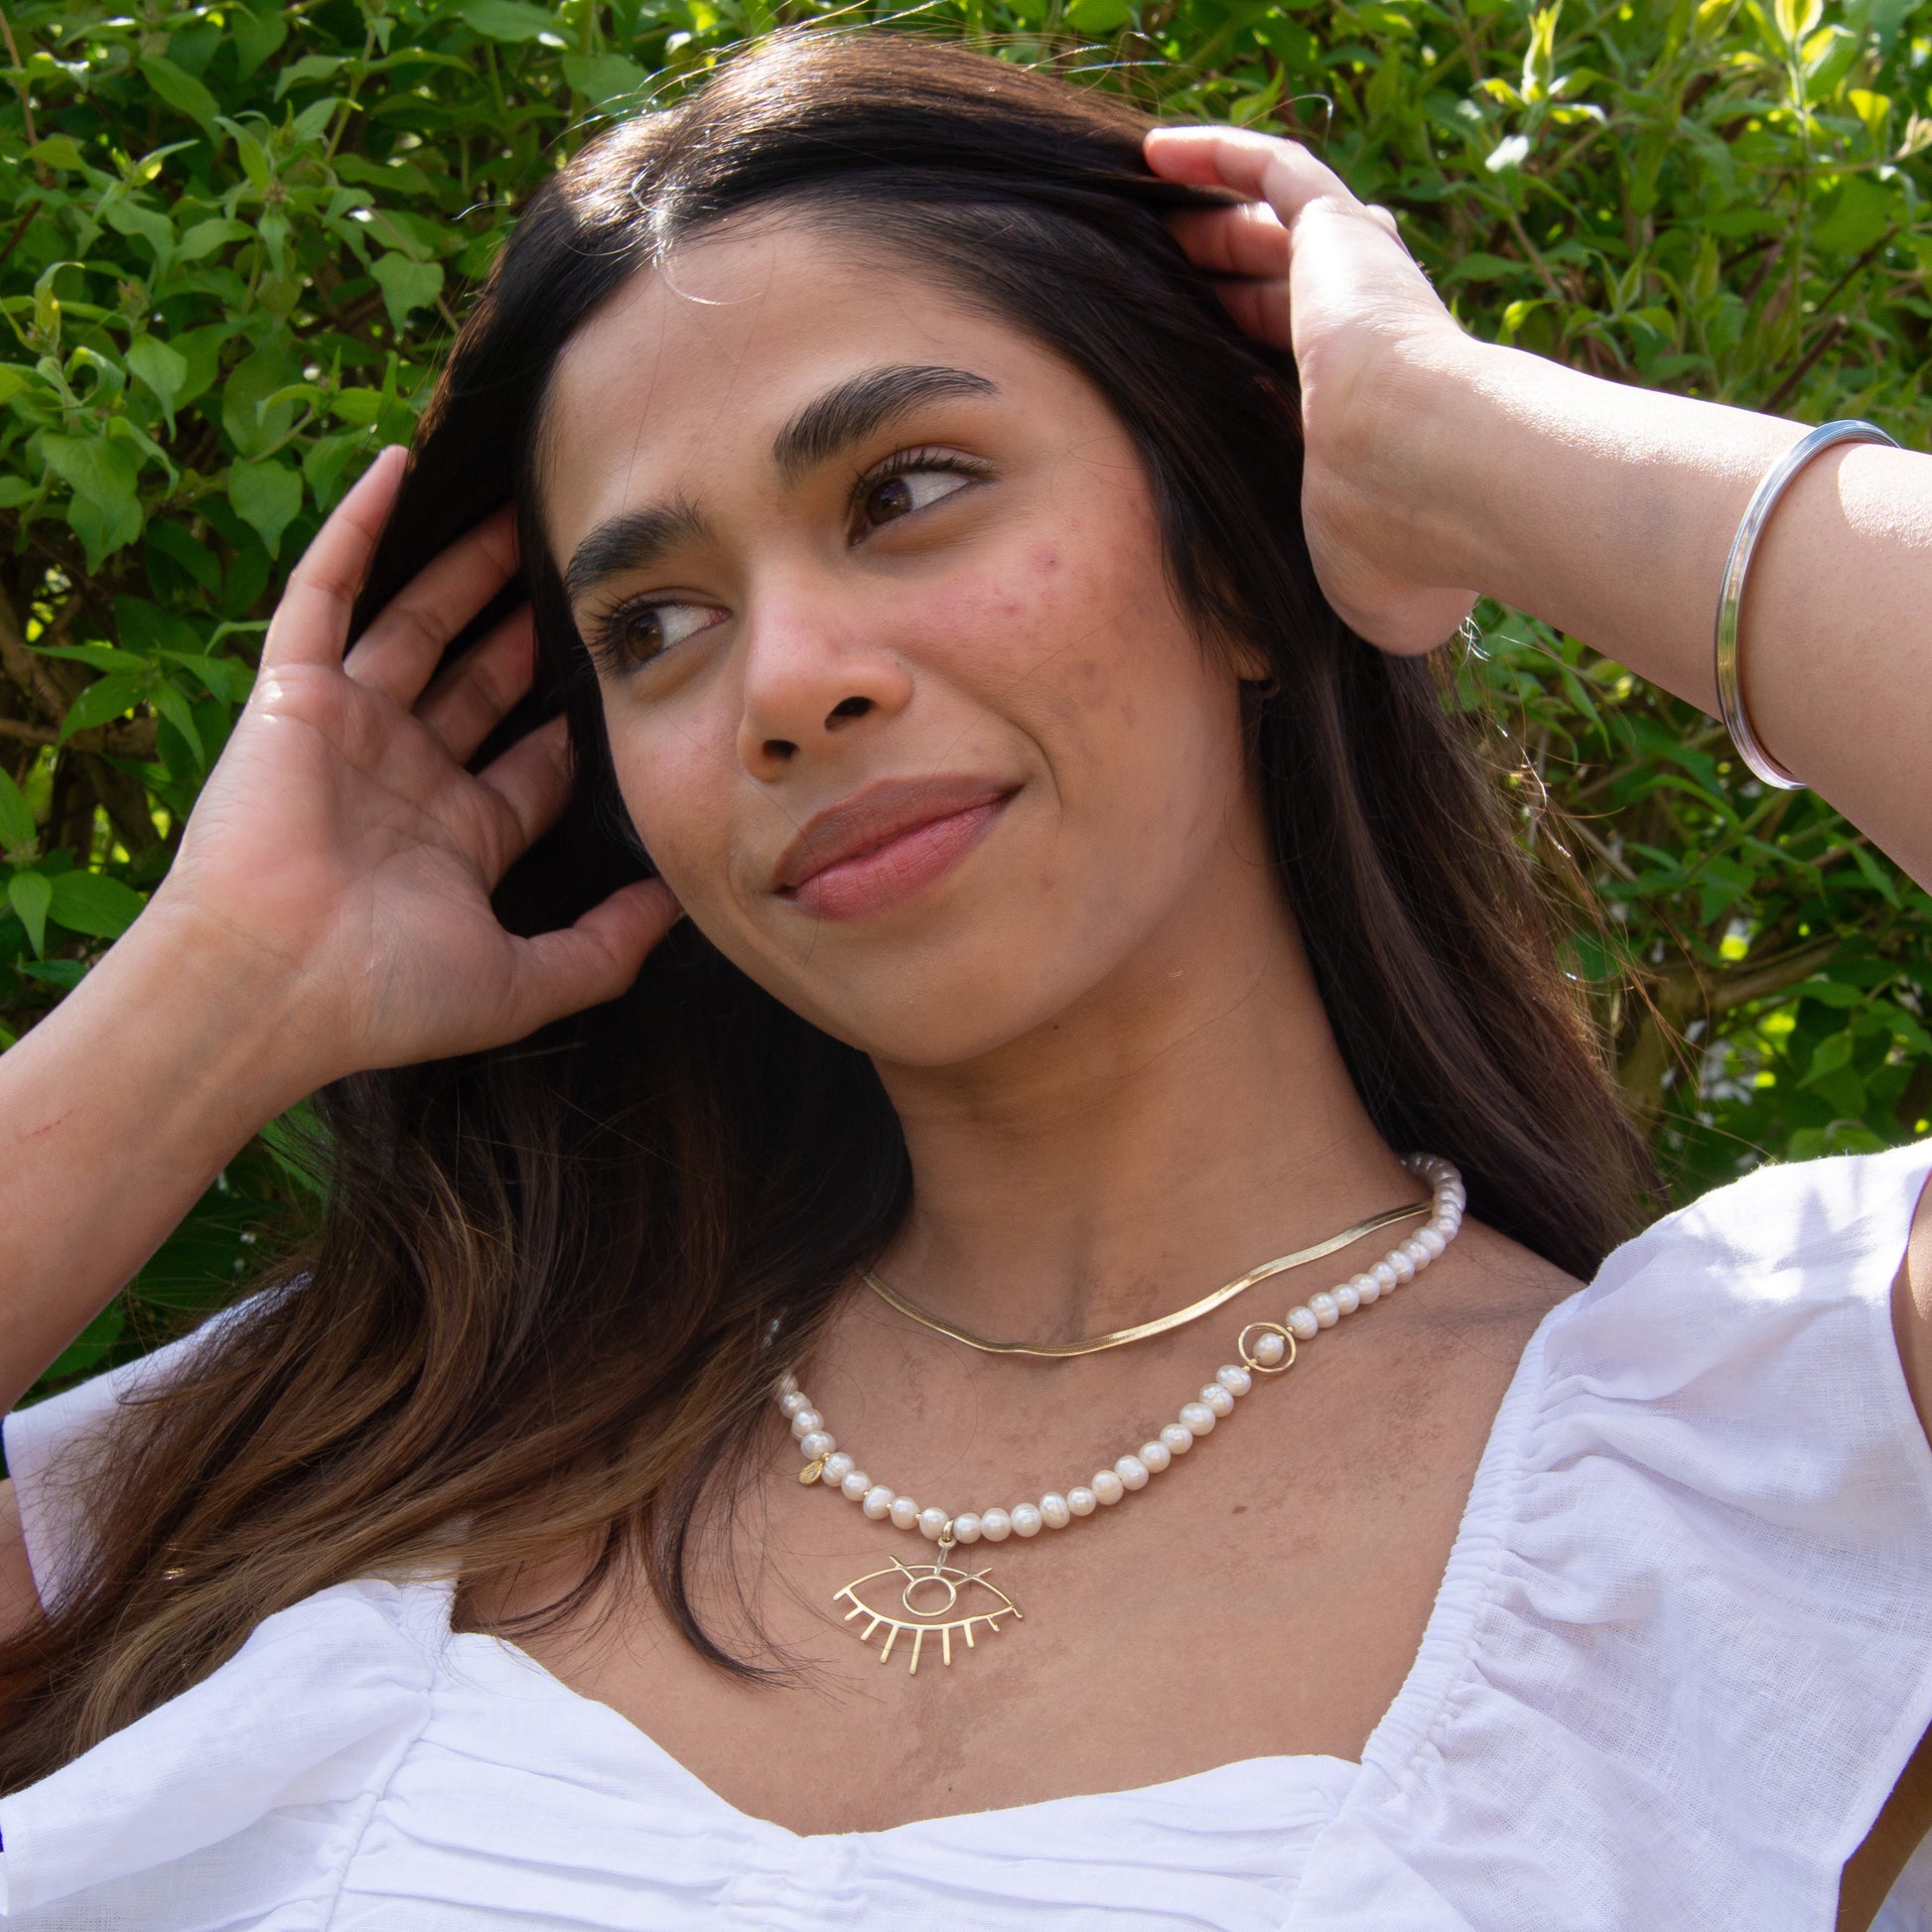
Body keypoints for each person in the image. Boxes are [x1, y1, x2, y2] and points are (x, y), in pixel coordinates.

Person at [0, 28, 1927, 1930]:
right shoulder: (375, 1434)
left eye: (907, 490)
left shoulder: (1755, 1480)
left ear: (1238, 559)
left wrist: (1438, 436)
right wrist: (223, 987)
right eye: (654, 623)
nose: (782, 682)